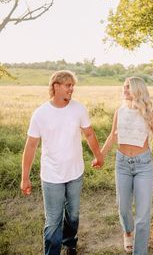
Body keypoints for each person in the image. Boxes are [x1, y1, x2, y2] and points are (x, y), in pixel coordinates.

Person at [20, 70, 104, 255]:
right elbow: (31, 146)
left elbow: (89, 133)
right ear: (56, 86)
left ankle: (70, 243)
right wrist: (25, 177)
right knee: (53, 221)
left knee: (73, 215)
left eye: (73, 85)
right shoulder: (40, 114)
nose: (71, 89)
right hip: (51, 176)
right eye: (68, 85)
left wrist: (98, 155)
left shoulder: (78, 108)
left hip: (75, 173)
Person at [98, 77, 153, 255]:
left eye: (128, 87)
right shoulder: (119, 112)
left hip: (143, 166)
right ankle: (128, 231)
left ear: (138, 90)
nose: (125, 89)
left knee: (143, 216)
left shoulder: (150, 114)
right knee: (123, 207)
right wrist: (100, 157)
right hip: (122, 164)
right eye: (124, 86)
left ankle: (140, 252)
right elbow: (112, 137)